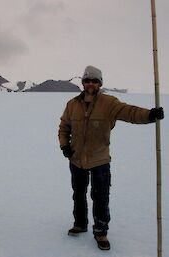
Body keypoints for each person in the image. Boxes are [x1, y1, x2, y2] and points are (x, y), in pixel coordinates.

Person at [58, 65, 164, 250]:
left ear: (100, 83)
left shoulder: (109, 103)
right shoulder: (72, 104)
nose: (90, 84)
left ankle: (100, 231)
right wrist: (65, 145)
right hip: (76, 159)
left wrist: (149, 115)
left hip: (100, 159)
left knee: (101, 196)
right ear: (83, 83)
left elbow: (130, 112)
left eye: (94, 81)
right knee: (79, 194)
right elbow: (64, 127)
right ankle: (80, 223)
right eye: (87, 80)